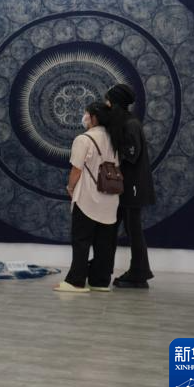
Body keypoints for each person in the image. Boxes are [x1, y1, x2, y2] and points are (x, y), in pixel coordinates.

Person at [55, 102, 123, 293]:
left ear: (93, 117)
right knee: (104, 243)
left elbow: (76, 169)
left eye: (86, 113)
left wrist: (70, 187)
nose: (84, 117)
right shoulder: (115, 139)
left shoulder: (84, 139)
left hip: (87, 197)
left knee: (81, 240)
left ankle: (76, 281)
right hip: (110, 199)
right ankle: (100, 281)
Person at [105, 83, 156, 288]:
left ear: (116, 103)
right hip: (129, 185)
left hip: (134, 185)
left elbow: (132, 154)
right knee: (121, 227)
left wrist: (112, 159)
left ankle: (139, 273)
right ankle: (108, 268)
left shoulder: (131, 124)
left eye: (109, 101)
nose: (107, 104)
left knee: (133, 229)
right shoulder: (125, 122)